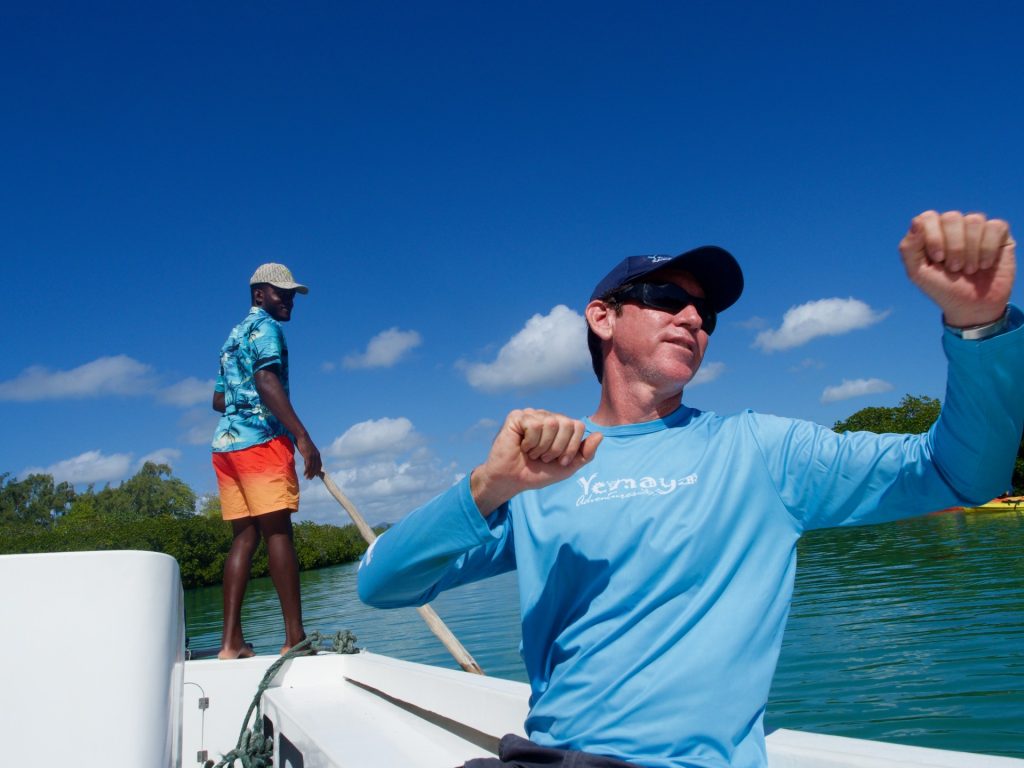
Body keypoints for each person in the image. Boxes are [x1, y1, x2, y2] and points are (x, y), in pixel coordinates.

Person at [358, 211, 1024, 768]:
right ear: (602, 317)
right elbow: (382, 585)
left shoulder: (764, 451)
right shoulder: (536, 472)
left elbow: (961, 473)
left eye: (705, 312)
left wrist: (979, 326)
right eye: (665, 298)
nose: (693, 318)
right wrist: (488, 486)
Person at [211, 263, 322, 660]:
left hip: (227, 446)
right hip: (260, 443)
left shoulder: (233, 336)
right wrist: (302, 436)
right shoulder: (267, 328)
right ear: (259, 294)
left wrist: (244, 403)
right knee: (278, 534)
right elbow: (266, 380)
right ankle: (295, 638)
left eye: (291, 293)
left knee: (244, 537)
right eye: (280, 292)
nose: (289, 299)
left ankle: (230, 643)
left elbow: (219, 400)